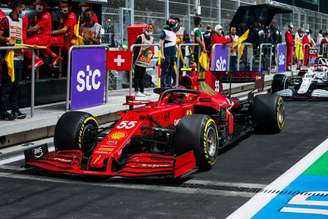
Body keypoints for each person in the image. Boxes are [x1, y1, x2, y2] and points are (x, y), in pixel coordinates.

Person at [0, 0, 26, 120]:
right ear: (16, 8)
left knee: (17, 85)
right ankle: (3, 111)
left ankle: (15, 109)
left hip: (19, 56)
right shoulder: (6, 20)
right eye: (21, 8)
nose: (22, 10)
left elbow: (20, 37)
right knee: (7, 85)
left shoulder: (21, 21)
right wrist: (6, 40)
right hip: (8, 58)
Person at [47, 1, 77, 67]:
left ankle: (55, 57)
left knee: (46, 40)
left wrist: (49, 32)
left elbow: (64, 30)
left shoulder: (71, 16)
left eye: (64, 6)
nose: (62, 8)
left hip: (67, 41)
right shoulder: (63, 15)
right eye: (61, 7)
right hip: (62, 39)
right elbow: (60, 28)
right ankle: (54, 58)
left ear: (70, 7)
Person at [24, 0, 52, 68]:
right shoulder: (39, 14)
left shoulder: (46, 15)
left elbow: (35, 28)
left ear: (44, 6)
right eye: (38, 4)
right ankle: (54, 57)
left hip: (43, 39)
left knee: (24, 44)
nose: (39, 6)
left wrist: (25, 31)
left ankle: (37, 60)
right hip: (40, 37)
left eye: (41, 5)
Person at [133, 24, 154, 97]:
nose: (149, 29)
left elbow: (151, 48)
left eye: (150, 28)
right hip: (138, 58)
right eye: (147, 28)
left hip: (145, 59)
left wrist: (150, 56)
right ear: (145, 29)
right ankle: (136, 91)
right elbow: (135, 48)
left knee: (143, 75)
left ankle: (142, 90)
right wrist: (134, 60)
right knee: (137, 75)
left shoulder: (152, 38)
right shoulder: (140, 37)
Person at [160, 17, 179, 88]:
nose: (173, 22)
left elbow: (173, 42)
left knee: (171, 69)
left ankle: (168, 84)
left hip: (172, 52)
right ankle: (163, 84)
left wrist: (178, 49)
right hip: (166, 52)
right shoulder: (164, 31)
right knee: (165, 68)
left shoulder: (173, 31)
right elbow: (161, 42)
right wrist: (162, 54)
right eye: (172, 21)